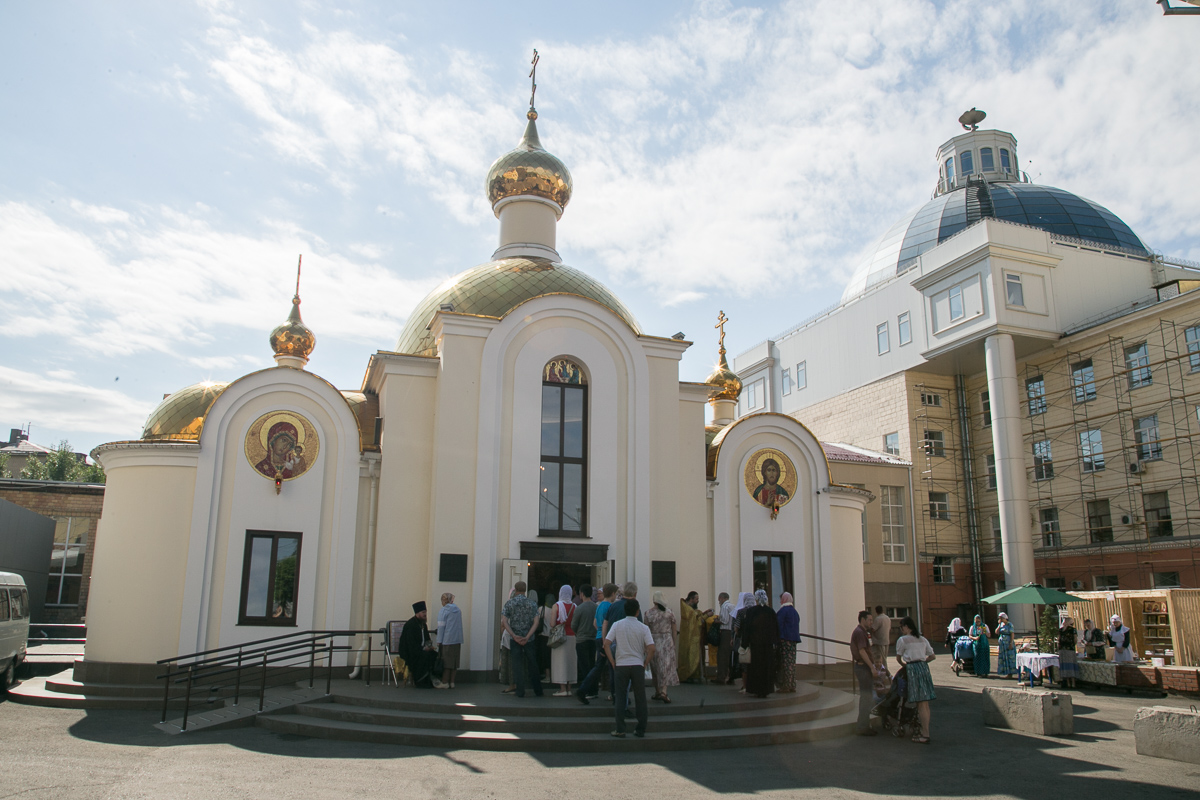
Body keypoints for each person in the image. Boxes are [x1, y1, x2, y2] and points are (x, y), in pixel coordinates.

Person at [603, 597, 656, 738]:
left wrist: (612, 661)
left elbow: (606, 644)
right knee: (640, 697)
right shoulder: (643, 627)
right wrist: (645, 662)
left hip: (621, 664)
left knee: (620, 697)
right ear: (637, 611)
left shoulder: (617, 625)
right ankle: (640, 729)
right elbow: (651, 648)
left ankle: (620, 728)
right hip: (637, 664)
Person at [573, 582, 627, 704]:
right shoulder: (610, 606)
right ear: (613, 594)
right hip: (606, 639)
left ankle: (584, 689)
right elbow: (606, 625)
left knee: (599, 666)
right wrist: (605, 642)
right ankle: (614, 694)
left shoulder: (600, 606)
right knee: (611, 666)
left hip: (599, 637)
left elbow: (595, 623)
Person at [894, 616, 936, 744]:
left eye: (901, 627)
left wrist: (906, 666)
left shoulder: (903, 640)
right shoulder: (922, 639)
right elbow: (932, 656)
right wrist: (923, 661)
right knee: (925, 703)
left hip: (912, 668)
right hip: (923, 668)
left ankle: (925, 734)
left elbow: (898, 658)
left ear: (906, 626)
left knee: (920, 703)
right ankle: (926, 731)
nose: (901, 630)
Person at [501, 581, 543, 698]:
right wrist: (528, 636)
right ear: (525, 590)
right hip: (528, 639)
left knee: (517, 665)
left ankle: (520, 691)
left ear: (515, 589)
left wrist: (514, 635)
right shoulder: (532, 603)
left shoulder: (510, 603)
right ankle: (538, 690)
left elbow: (504, 621)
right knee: (532, 663)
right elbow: (536, 622)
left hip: (515, 638)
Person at [741, 589, 779, 698]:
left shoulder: (751, 611)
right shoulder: (770, 611)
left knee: (756, 667)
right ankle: (766, 689)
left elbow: (747, 629)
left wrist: (744, 643)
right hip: (767, 645)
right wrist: (775, 642)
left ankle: (756, 689)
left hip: (756, 645)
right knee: (766, 667)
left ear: (756, 599)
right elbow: (775, 628)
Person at [397, 601, 443, 689]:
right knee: (423, 657)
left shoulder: (423, 625)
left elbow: (426, 638)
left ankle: (433, 678)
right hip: (410, 652)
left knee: (435, 655)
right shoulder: (410, 625)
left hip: (421, 650)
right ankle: (421, 681)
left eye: (425, 612)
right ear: (417, 613)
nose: (425, 614)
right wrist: (423, 649)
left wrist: (429, 646)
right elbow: (410, 644)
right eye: (423, 612)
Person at [645, 591, 679, 702]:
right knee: (666, 667)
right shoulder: (669, 613)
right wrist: (673, 643)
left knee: (655, 667)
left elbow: (646, 630)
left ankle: (657, 691)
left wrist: (646, 646)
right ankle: (664, 691)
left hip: (653, 640)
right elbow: (674, 630)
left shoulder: (648, 613)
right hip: (667, 640)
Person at [851, 609, 878, 735]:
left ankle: (863, 724)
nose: (871, 622)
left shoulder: (863, 632)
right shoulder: (860, 632)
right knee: (866, 697)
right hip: (863, 668)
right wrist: (872, 667)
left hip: (863, 667)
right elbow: (862, 651)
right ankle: (863, 727)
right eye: (870, 620)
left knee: (866, 698)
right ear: (863, 620)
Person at [677, 590, 711, 683]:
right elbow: (697, 623)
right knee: (690, 656)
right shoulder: (688, 610)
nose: (697, 601)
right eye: (696, 599)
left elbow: (696, 617)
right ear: (691, 599)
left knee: (693, 656)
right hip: (690, 637)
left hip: (690, 636)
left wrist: (703, 613)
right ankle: (687, 675)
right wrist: (706, 616)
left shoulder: (688, 608)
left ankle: (693, 675)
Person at [550, 585, 578, 696]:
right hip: (572, 636)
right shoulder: (575, 606)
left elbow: (552, 623)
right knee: (571, 662)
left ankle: (562, 689)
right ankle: (569, 688)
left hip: (560, 637)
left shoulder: (556, 606)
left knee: (560, 662)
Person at [435, 592, 463, 689]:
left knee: (446, 662)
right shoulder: (458, 610)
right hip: (457, 639)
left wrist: (439, 640)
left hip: (447, 640)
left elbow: (441, 627)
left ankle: (445, 682)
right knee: (454, 662)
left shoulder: (443, 611)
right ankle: (452, 682)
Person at [571, 583, 597, 687]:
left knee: (584, 665)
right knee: (592, 664)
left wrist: (578, 632)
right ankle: (593, 687)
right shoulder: (596, 607)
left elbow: (573, 625)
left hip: (582, 639)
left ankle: (587, 687)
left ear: (581, 594)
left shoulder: (579, 608)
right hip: (593, 639)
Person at [776, 592, 801, 692]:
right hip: (793, 640)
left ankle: (785, 685)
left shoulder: (783, 611)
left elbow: (778, 625)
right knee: (791, 663)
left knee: (785, 662)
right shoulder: (795, 612)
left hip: (784, 639)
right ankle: (792, 684)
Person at [731, 591, 755, 682]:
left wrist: (737, 635)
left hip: (744, 640)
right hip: (755, 640)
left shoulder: (741, 612)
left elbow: (736, 627)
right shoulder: (756, 611)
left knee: (744, 663)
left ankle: (745, 685)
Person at [498, 587, 517, 693]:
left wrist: (502, 635)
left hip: (507, 637)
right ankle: (517, 683)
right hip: (520, 637)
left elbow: (503, 624)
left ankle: (511, 684)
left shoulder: (508, 605)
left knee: (508, 661)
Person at [716, 592, 735, 684]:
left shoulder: (724, 606)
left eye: (719, 599)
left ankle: (721, 677)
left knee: (722, 655)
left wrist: (716, 621)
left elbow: (724, 620)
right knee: (729, 655)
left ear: (721, 598)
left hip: (725, 632)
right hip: (731, 632)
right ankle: (730, 676)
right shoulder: (732, 606)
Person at [536, 591, 554, 681]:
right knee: (552, 657)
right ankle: (554, 675)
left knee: (545, 657)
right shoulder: (555, 609)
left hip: (543, 635)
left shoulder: (541, 609)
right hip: (553, 636)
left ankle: (547, 676)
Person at [1058, 616, 1079, 688]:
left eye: (1066, 621)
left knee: (1071, 665)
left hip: (1069, 649)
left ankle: (1073, 682)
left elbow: (1075, 639)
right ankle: (1067, 682)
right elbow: (1059, 639)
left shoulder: (1072, 630)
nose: (1064, 622)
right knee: (1065, 665)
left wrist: (1072, 644)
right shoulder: (1061, 630)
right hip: (1062, 649)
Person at [995, 612, 1016, 678]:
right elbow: (996, 632)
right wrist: (999, 625)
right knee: (1003, 657)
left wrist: (1011, 643)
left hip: (1008, 642)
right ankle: (1005, 672)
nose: (1000, 619)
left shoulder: (1009, 624)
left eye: (1001, 618)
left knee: (1009, 657)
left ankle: (1010, 673)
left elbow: (1012, 634)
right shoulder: (1001, 624)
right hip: (1002, 644)